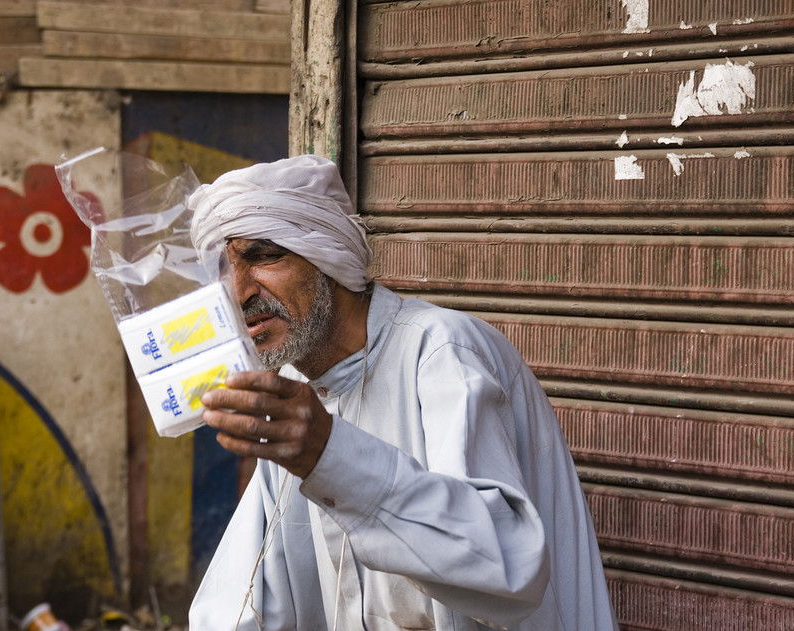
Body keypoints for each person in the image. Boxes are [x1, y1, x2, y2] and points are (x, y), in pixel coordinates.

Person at [187, 154, 620, 630]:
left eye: (262, 256)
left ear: (327, 253)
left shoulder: (441, 351)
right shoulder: (294, 389)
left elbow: (507, 563)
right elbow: (246, 597)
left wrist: (329, 457)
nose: (239, 292)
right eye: (223, 271)